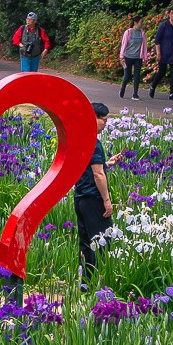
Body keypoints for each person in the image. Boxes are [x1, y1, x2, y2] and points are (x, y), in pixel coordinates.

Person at [73, 102, 114, 281]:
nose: (105, 124)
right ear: (93, 119)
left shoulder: (80, 137)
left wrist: (108, 164)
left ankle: (85, 281)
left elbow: (89, 167)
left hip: (80, 197)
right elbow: (98, 175)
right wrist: (106, 200)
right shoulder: (94, 143)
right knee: (102, 242)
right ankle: (100, 281)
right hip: (93, 198)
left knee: (85, 243)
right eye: (103, 120)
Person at [153, 8, 173, 100]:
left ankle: (172, 93)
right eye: (171, 13)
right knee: (161, 72)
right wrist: (158, 53)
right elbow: (157, 40)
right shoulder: (164, 25)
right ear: (169, 15)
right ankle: (153, 87)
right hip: (164, 52)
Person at [118, 17, 145, 99]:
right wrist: (121, 56)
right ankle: (123, 88)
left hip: (137, 57)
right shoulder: (128, 32)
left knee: (137, 76)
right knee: (127, 75)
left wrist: (144, 57)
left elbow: (144, 46)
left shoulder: (142, 33)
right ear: (135, 23)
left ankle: (135, 94)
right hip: (128, 57)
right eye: (140, 22)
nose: (141, 24)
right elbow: (124, 44)